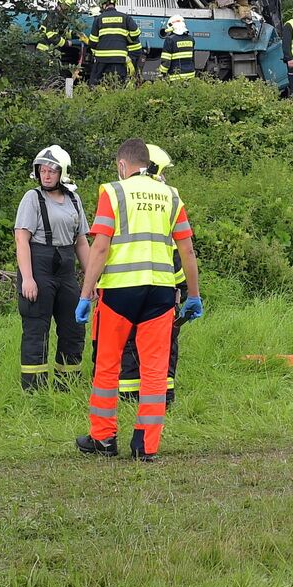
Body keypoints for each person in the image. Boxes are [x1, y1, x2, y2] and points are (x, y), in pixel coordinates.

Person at [75, 139, 204, 461]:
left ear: (122, 165)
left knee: (107, 366)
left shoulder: (113, 193)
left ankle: (103, 439)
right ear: (147, 164)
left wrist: (85, 293)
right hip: (160, 292)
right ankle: (145, 445)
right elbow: (187, 249)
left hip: (119, 292)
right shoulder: (171, 195)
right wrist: (194, 295)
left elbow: (101, 247)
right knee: (155, 371)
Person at [117, 146, 188, 405]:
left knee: (130, 342)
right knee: (163, 345)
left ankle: (129, 394)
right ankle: (163, 395)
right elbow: (180, 250)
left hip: (126, 285)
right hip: (162, 286)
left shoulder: (124, 197)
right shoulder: (168, 199)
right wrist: (187, 289)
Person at [15, 146, 85, 392]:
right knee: (37, 328)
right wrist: (28, 279)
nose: (46, 175)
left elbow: (81, 242)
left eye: (51, 171)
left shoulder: (74, 200)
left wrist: (91, 280)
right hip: (39, 264)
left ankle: (68, 386)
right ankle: (34, 390)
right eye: (42, 170)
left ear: (62, 173)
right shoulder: (32, 198)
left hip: (66, 268)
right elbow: (21, 239)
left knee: (73, 327)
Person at [86, 0, 140, 85]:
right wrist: (127, 40)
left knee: (96, 84)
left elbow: (93, 42)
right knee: (117, 84)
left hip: (102, 59)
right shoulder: (125, 17)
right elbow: (136, 32)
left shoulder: (99, 19)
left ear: (104, 5)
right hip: (119, 58)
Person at [156, 16, 196, 81]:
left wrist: (161, 74)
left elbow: (166, 61)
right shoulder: (191, 39)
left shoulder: (170, 40)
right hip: (190, 75)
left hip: (176, 77)